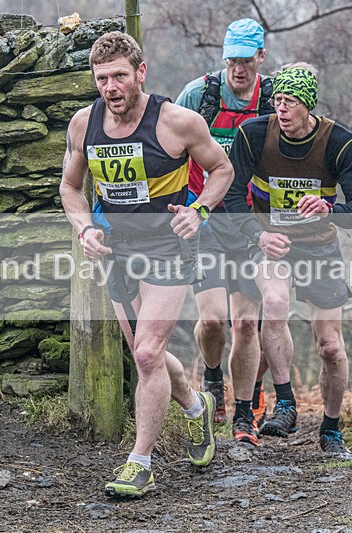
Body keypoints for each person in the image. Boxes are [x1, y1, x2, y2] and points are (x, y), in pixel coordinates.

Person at [59, 31, 235, 498]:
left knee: (145, 355)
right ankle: (196, 407)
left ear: (141, 73)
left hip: (167, 247)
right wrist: (85, 229)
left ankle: (140, 463)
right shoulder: (83, 124)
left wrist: (198, 212)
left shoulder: (178, 122)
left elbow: (222, 169)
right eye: (101, 79)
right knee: (145, 351)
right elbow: (70, 188)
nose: (110, 88)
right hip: (116, 249)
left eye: (119, 76)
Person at [224, 63, 352, 457]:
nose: (282, 109)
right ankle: (286, 402)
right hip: (271, 242)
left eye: (290, 101)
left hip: (319, 247)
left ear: (308, 104)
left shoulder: (339, 143)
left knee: (330, 347)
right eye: (277, 100)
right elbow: (232, 196)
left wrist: (329, 209)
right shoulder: (254, 134)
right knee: (273, 302)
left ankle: (331, 429)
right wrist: (258, 235)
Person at [175, 18, 274, 445]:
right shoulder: (199, 95)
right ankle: (213, 377)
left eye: (246, 61)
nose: (238, 69)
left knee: (247, 324)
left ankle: (244, 413)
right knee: (214, 319)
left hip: (250, 223)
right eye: (232, 60)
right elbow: (170, 146)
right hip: (206, 218)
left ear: (260, 57)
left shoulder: (272, 99)